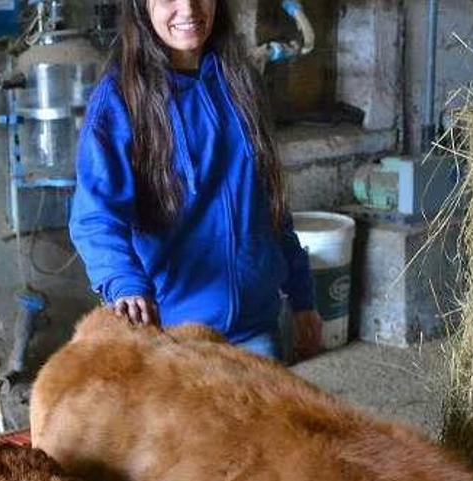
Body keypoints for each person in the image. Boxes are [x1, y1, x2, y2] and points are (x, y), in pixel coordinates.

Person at [69, 0, 322, 361]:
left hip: (256, 331)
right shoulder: (120, 100)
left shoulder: (242, 82)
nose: (188, 9)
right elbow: (95, 217)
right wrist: (124, 283)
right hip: (174, 336)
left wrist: (302, 297)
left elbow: (270, 206)